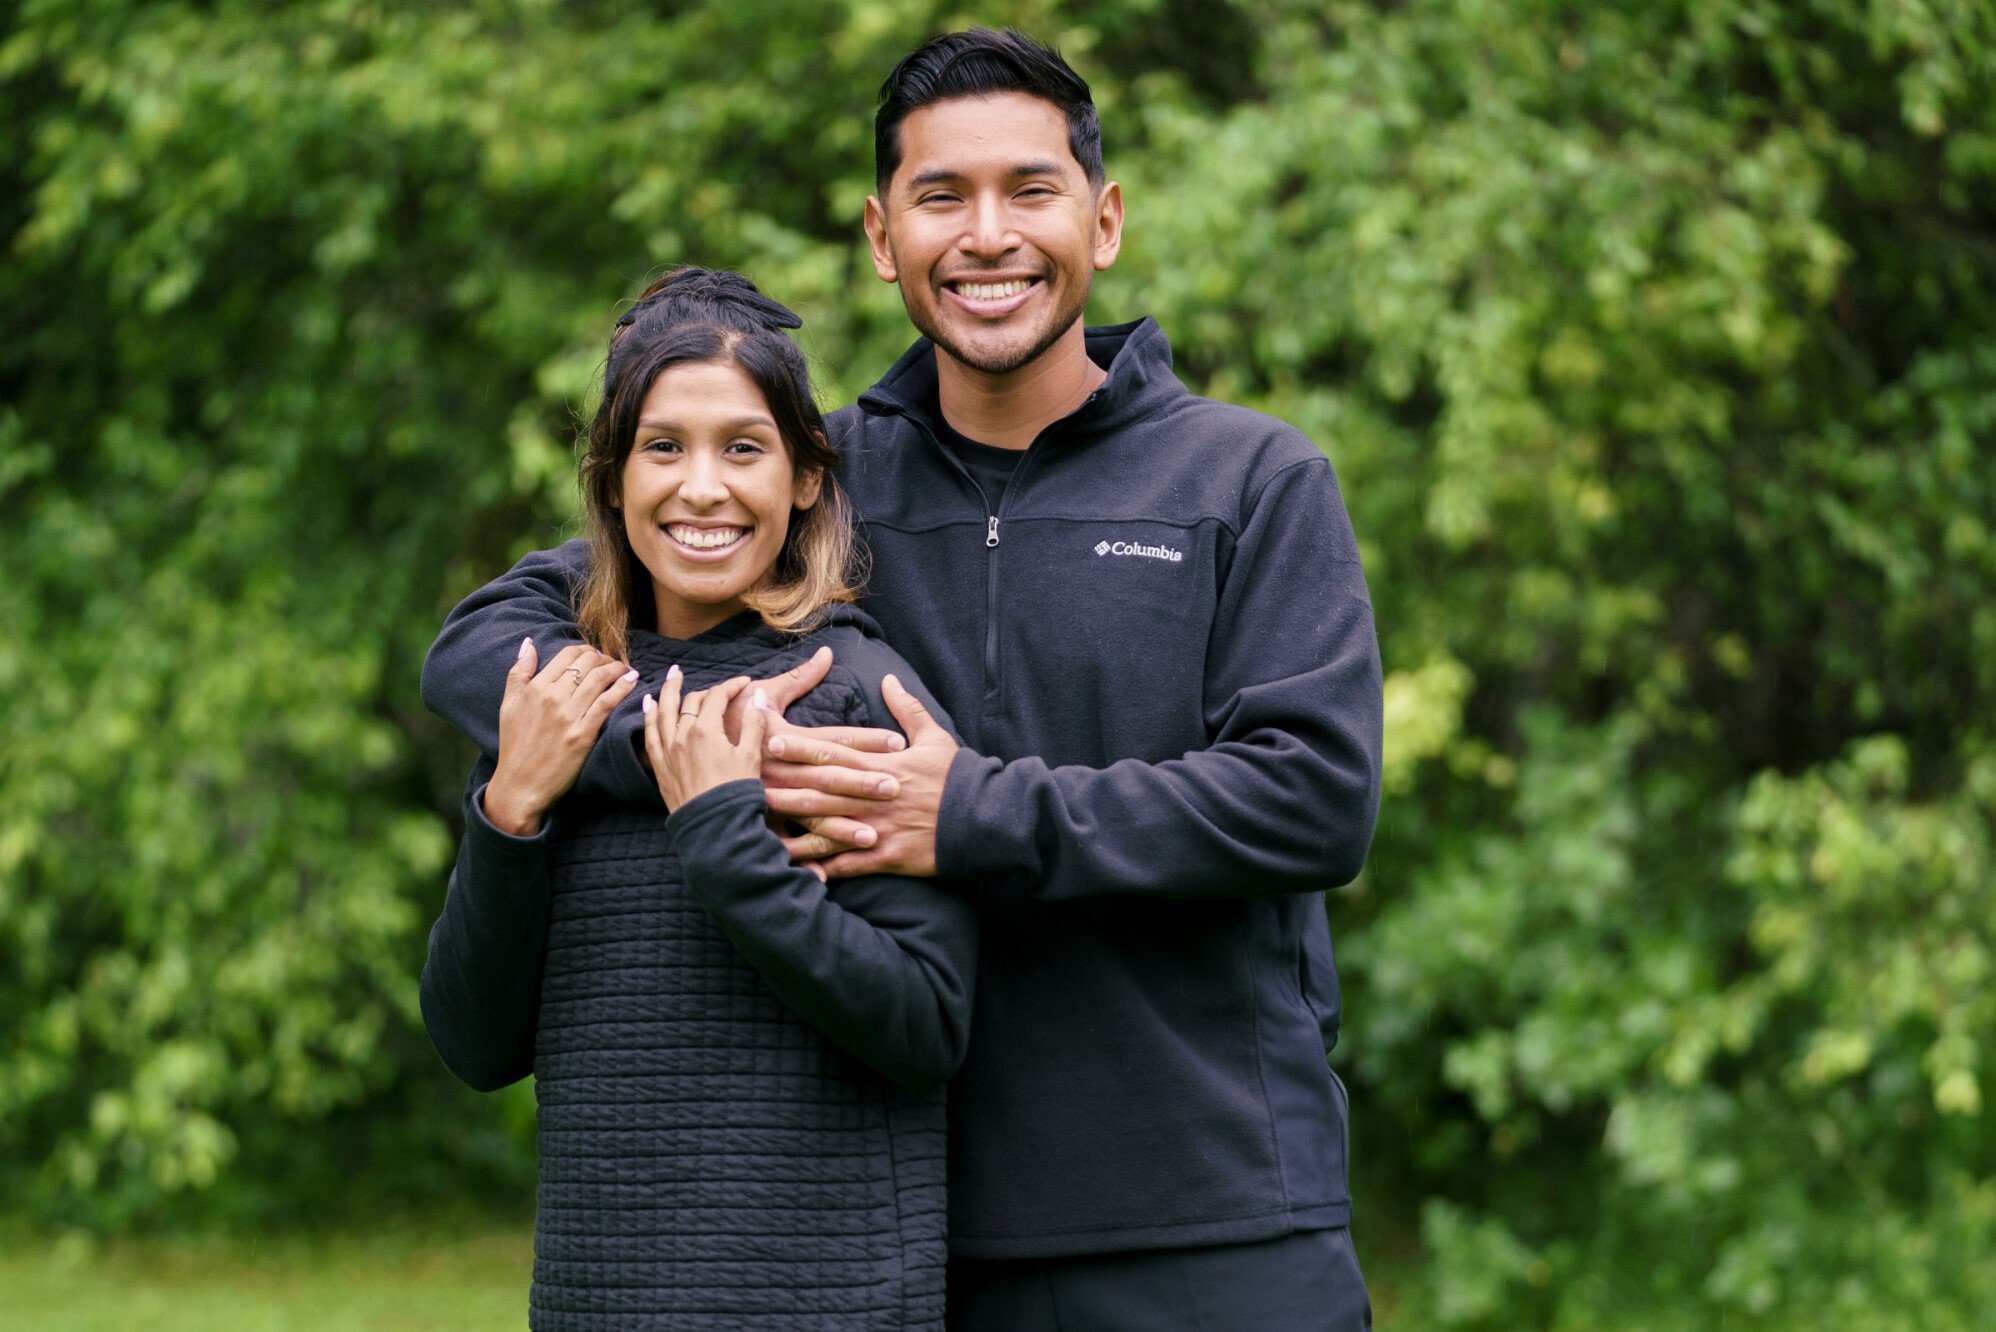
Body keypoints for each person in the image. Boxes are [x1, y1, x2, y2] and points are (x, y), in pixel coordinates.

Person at [423, 29, 1382, 1332]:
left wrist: (972, 812)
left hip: (1215, 1211)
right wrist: (698, 741)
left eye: (1029, 191)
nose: (987, 235)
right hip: (920, 1232)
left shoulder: (1246, 482)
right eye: (942, 197)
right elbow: (497, 637)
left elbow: (1314, 800)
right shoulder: (818, 483)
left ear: (1102, 221)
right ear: (884, 237)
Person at [418, 268, 975, 1331]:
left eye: (744, 448)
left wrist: (729, 840)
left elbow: (923, 1027)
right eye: (663, 448)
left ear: (807, 477)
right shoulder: (566, 703)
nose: (702, 488)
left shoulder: (856, 695)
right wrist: (512, 810)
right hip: (603, 1297)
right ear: (615, 480)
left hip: (827, 1300)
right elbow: (474, 1045)